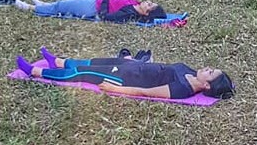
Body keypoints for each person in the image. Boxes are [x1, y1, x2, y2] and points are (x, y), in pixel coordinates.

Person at [16, 47, 233, 100]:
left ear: (206, 86)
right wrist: (134, 61)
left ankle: (35, 71)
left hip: (127, 78)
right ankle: (58, 61)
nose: (207, 68)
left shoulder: (182, 89)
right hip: (133, 66)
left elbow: (145, 92)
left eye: (210, 72)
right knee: (96, 60)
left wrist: (115, 89)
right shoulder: (189, 71)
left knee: (83, 72)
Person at [13, 0, 167, 23]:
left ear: (146, 12)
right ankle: (46, 5)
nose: (148, 1)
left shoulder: (129, 14)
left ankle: (32, 8)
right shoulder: (135, 3)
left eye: (149, 5)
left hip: (94, 7)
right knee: (67, 2)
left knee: (64, 7)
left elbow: (106, 16)